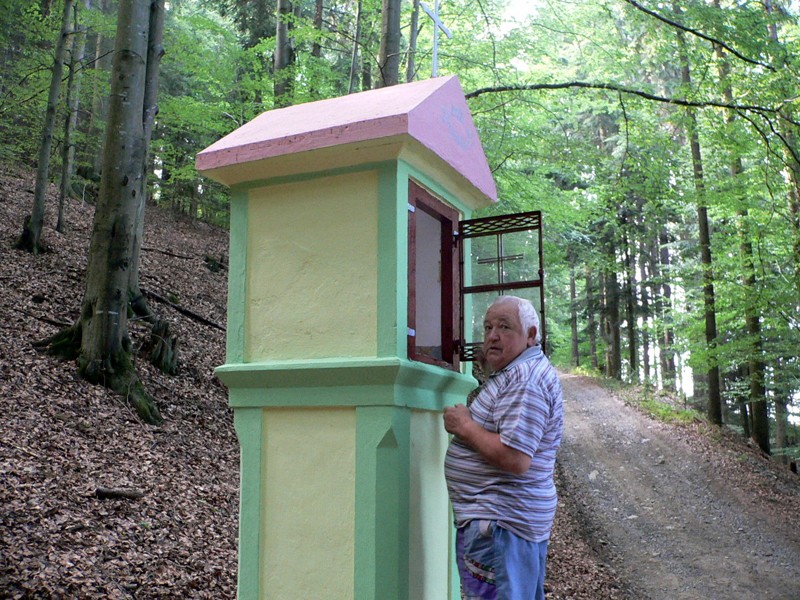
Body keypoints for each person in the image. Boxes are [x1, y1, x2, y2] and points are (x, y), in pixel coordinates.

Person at [443, 295, 564, 600]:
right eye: (487, 327)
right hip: (505, 524)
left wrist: (465, 426)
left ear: (531, 335)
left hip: (500, 526)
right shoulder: (518, 372)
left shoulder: (525, 380)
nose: (492, 336)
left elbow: (516, 458)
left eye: (505, 327)